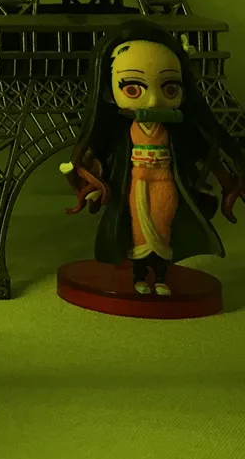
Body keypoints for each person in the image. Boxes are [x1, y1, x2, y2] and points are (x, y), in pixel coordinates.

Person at [61, 18, 243, 295]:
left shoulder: (177, 132)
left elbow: (205, 152)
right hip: (136, 183)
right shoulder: (120, 133)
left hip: (165, 181)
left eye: (170, 88)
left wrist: (226, 179)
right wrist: (91, 177)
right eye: (133, 88)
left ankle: (160, 275)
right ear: (109, 93)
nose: (153, 101)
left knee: (162, 227)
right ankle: (138, 275)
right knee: (138, 231)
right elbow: (100, 154)